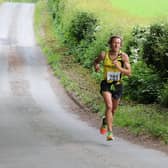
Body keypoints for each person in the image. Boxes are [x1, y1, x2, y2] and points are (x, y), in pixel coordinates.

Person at [93, 35, 131, 141]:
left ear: (120, 45)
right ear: (110, 43)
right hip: (106, 83)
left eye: (118, 43)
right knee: (109, 107)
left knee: (113, 110)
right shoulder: (104, 54)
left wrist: (119, 68)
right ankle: (110, 132)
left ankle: (105, 121)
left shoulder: (124, 57)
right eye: (114, 42)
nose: (116, 45)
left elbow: (129, 73)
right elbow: (96, 61)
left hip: (118, 85)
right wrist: (96, 66)